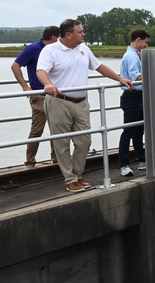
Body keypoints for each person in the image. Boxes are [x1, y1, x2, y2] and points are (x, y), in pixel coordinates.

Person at [37, 19, 133, 193]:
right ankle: (70, 179)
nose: (84, 34)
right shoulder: (50, 50)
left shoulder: (83, 49)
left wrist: (119, 78)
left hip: (81, 102)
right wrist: (48, 84)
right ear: (68, 34)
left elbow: (99, 67)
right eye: (80, 32)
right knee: (62, 143)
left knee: (84, 141)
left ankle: (78, 174)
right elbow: (41, 71)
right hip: (59, 101)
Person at [11, 25, 61, 167]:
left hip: (56, 95)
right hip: (39, 95)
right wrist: (25, 87)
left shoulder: (57, 50)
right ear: (54, 37)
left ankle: (56, 160)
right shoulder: (33, 49)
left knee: (57, 129)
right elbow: (15, 66)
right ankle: (30, 161)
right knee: (37, 129)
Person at [117, 29, 149, 177]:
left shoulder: (136, 55)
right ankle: (124, 164)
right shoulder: (131, 56)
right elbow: (135, 76)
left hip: (139, 96)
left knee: (139, 130)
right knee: (129, 130)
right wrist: (153, 72)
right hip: (132, 96)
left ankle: (142, 159)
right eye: (145, 42)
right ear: (138, 40)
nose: (146, 45)